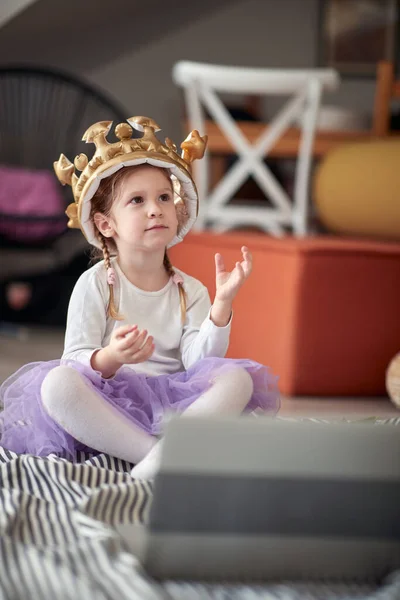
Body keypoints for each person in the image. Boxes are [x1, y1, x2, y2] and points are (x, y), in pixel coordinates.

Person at [0, 116, 279, 479]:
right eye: (137, 200)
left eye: (164, 197)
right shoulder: (95, 283)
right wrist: (110, 357)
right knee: (56, 384)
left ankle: (163, 454)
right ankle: (155, 458)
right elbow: (74, 359)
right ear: (105, 225)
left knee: (237, 379)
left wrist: (221, 306)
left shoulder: (189, 289)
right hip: (111, 405)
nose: (154, 208)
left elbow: (199, 362)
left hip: (176, 407)